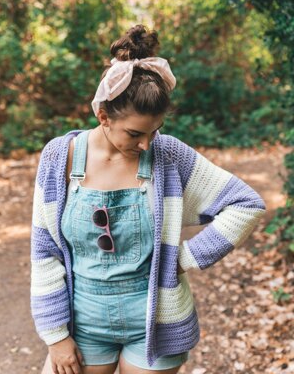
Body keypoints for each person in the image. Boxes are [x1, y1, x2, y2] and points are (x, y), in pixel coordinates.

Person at [30, 24, 266, 374]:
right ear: (103, 116)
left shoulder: (169, 156)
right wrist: (56, 337)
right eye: (135, 133)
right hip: (83, 324)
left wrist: (182, 258)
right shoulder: (59, 157)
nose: (146, 144)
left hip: (155, 321)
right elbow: (45, 250)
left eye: (154, 131)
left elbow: (246, 204)